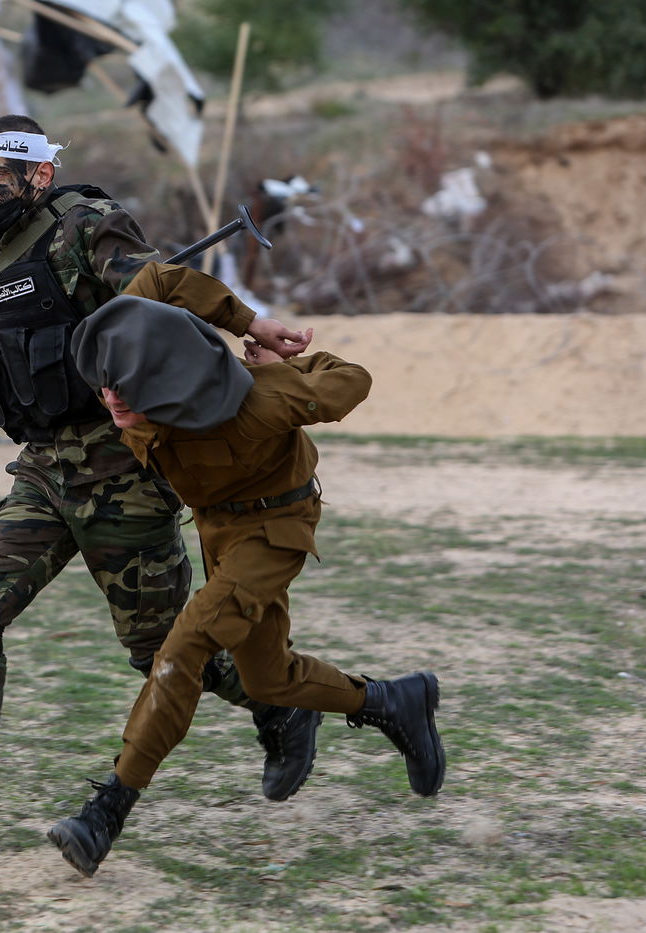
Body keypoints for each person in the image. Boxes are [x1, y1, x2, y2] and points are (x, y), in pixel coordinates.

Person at [0, 114, 322, 856]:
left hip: (120, 471)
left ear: (39, 175)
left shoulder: (85, 228)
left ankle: (283, 703)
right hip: (43, 468)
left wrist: (251, 322)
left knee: (163, 651)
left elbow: (161, 285)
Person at [48, 282, 446, 878]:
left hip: (276, 527)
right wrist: (247, 320)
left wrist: (287, 359)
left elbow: (352, 380)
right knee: (268, 677)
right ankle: (393, 701)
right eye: (107, 382)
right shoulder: (129, 357)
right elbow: (156, 283)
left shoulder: (258, 401)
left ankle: (106, 810)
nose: (112, 397)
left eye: (126, 387)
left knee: (183, 650)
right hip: (217, 534)